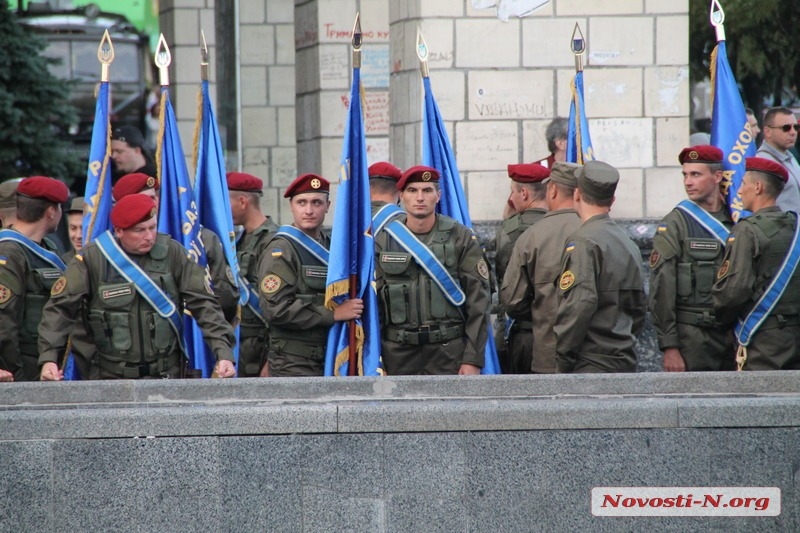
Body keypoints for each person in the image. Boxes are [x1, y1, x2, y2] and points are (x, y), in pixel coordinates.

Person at [38, 194, 237, 380]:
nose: (149, 236)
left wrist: (224, 353)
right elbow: (59, 309)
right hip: (110, 377)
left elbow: (205, 305)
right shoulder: (93, 258)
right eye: (140, 230)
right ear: (119, 231)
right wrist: (49, 358)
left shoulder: (173, 253)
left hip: (167, 374)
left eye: (152, 227)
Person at [374, 165, 491, 375]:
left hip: (448, 353)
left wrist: (472, 358)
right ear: (401, 196)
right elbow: (374, 302)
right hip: (397, 354)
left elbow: (478, 301)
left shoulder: (460, 236)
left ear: (438, 196)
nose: (420, 197)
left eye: (427, 191)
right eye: (412, 191)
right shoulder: (383, 239)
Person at [257, 173, 362, 377]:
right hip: (293, 360)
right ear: (291, 206)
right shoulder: (281, 249)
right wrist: (333, 314)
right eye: (301, 202)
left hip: (330, 352)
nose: (309, 210)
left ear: (328, 205)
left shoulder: (332, 246)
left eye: (316, 203)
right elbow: (275, 309)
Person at [553, 160, 646, 373]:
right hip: (624, 359)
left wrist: (564, 357)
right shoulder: (628, 243)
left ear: (577, 194)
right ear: (612, 200)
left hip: (590, 363)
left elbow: (578, 305)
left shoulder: (583, 242)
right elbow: (640, 307)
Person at [648, 146, 735, 372]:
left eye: (696, 174)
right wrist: (670, 346)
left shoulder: (737, 217)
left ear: (717, 177)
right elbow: (662, 288)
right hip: (693, 339)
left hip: (735, 335)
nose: (688, 182)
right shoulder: (676, 224)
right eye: (685, 175)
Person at [113, 172, 239, 323]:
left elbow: (226, 296)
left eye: (152, 198)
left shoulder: (199, 238)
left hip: (198, 334)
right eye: (141, 200)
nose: (150, 205)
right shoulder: (111, 249)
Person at [713, 157, 800, 371]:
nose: (740, 191)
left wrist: (721, 321)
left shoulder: (747, 230)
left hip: (761, 337)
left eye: (743, 183)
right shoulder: (795, 226)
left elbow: (734, 291)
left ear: (758, 187)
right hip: (795, 334)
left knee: (760, 401)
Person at [500, 162, 582, 374]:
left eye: (513, 192)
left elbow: (511, 298)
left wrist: (540, 309)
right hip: (588, 345)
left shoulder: (517, 232)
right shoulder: (592, 227)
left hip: (534, 338)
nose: (512, 198)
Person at [0, 176, 69, 381]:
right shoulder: (10, 252)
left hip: (44, 363)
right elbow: (4, 323)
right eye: (59, 208)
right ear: (51, 212)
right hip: (24, 369)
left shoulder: (47, 247)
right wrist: (18, 376)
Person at [494, 163, 549, 373]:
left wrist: (507, 223)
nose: (512, 198)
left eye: (513, 192)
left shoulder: (510, 229)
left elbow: (505, 279)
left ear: (524, 193)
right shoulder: (565, 224)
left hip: (523, 334)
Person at [228, 171, 278, 377]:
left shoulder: (273, 240)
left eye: (225, 201)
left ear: (242, 201)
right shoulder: (239, 239)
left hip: (261, 350)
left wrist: (272, 361)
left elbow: (278, 305)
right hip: (241, 346)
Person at [756, 107, 800, 212]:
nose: (793, 132)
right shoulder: (762, 163)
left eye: (796, 127)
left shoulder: (790, 155)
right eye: (786, 128)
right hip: (782, 226)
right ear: (767, 132)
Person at [62, 196, 85, 262]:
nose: (78, 236)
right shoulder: (62, 263)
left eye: (83, 229)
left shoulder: (105, 263)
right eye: (73, 228)